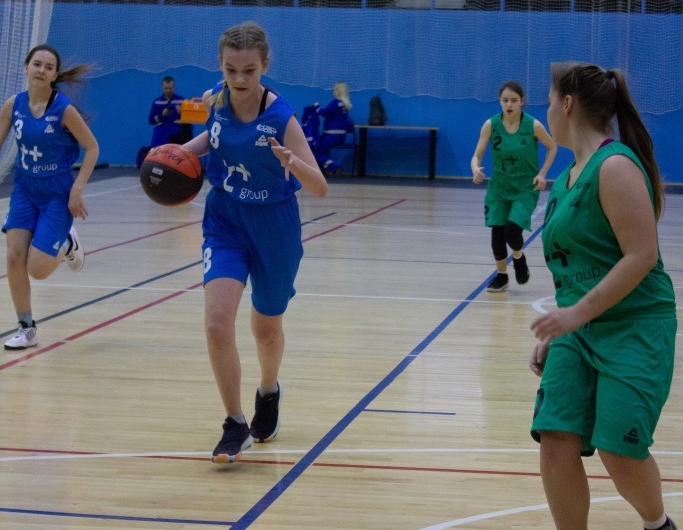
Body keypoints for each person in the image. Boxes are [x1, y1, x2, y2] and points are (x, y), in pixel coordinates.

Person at [529, 62, 678, 530]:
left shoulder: (614, 166)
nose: (546, 112)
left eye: (548, 102)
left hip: (635, 324)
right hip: (578, 329)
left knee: (620, 450)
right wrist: (560, 328)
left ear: (567, 104)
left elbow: (641, 255)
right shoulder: (565, 181)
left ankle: (658, 525)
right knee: (555, 437)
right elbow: (574, 268)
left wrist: (575, 314)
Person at [181, 21, 328, 464]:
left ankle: (268, 390)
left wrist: (292, 161)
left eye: (249, 70)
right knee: (216, 323)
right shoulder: (217, 98)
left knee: (265, 329)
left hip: (274, 226)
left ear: (265, 64)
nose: (239, 78)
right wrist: (180, 154)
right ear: (220, 65)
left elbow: (319, 186)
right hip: (225, 220)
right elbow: (213, 138)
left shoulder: (281, 118)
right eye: (231, 70)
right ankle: (234, 424)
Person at [0, 44, 99, 350]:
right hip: (25, 189)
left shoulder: (63, 110)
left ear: (55, 75)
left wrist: (77, 189)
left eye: (48, 67)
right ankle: (27, 327)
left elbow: (92, 148)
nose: (41, 70)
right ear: (26, 67)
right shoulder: (13, 105)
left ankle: (67, 242)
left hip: (57, 193)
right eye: (37, 64)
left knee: (38, 269)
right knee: (14, 256)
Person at [471, 80, 557, 292]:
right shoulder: (490, 125)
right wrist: (475, 169)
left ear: (522, 101)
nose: (509, 104)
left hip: (525, 188)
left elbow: (552, 147)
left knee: (512, 231)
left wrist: (542, 174)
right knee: (497, 233)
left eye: (513, 100)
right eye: (505, 100)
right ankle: (502, 276)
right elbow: (477, 155)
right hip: (499, 188)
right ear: (500, 101)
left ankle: (519, 257)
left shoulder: (533, 125)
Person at [312, 81, 354, 178]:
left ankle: (333, 167)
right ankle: (325, 168)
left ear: (337, 91)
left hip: (332, 136)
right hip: (342, 136)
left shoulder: (336, 103)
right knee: (323, 149)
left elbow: (324, 112)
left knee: (315, 149)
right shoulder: (345, 105)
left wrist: (317, 106)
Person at [147, 76, 192, 148]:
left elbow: (188, 120)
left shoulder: (181, 101)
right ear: (162, 87)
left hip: (176, 130)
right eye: (166, 88)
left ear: (174, 87)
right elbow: (151, 121)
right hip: (161, 130)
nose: (168, 90)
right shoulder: (157, 101)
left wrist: (181, 113)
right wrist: (162, 115)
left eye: (170, 88)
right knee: (155, 148)